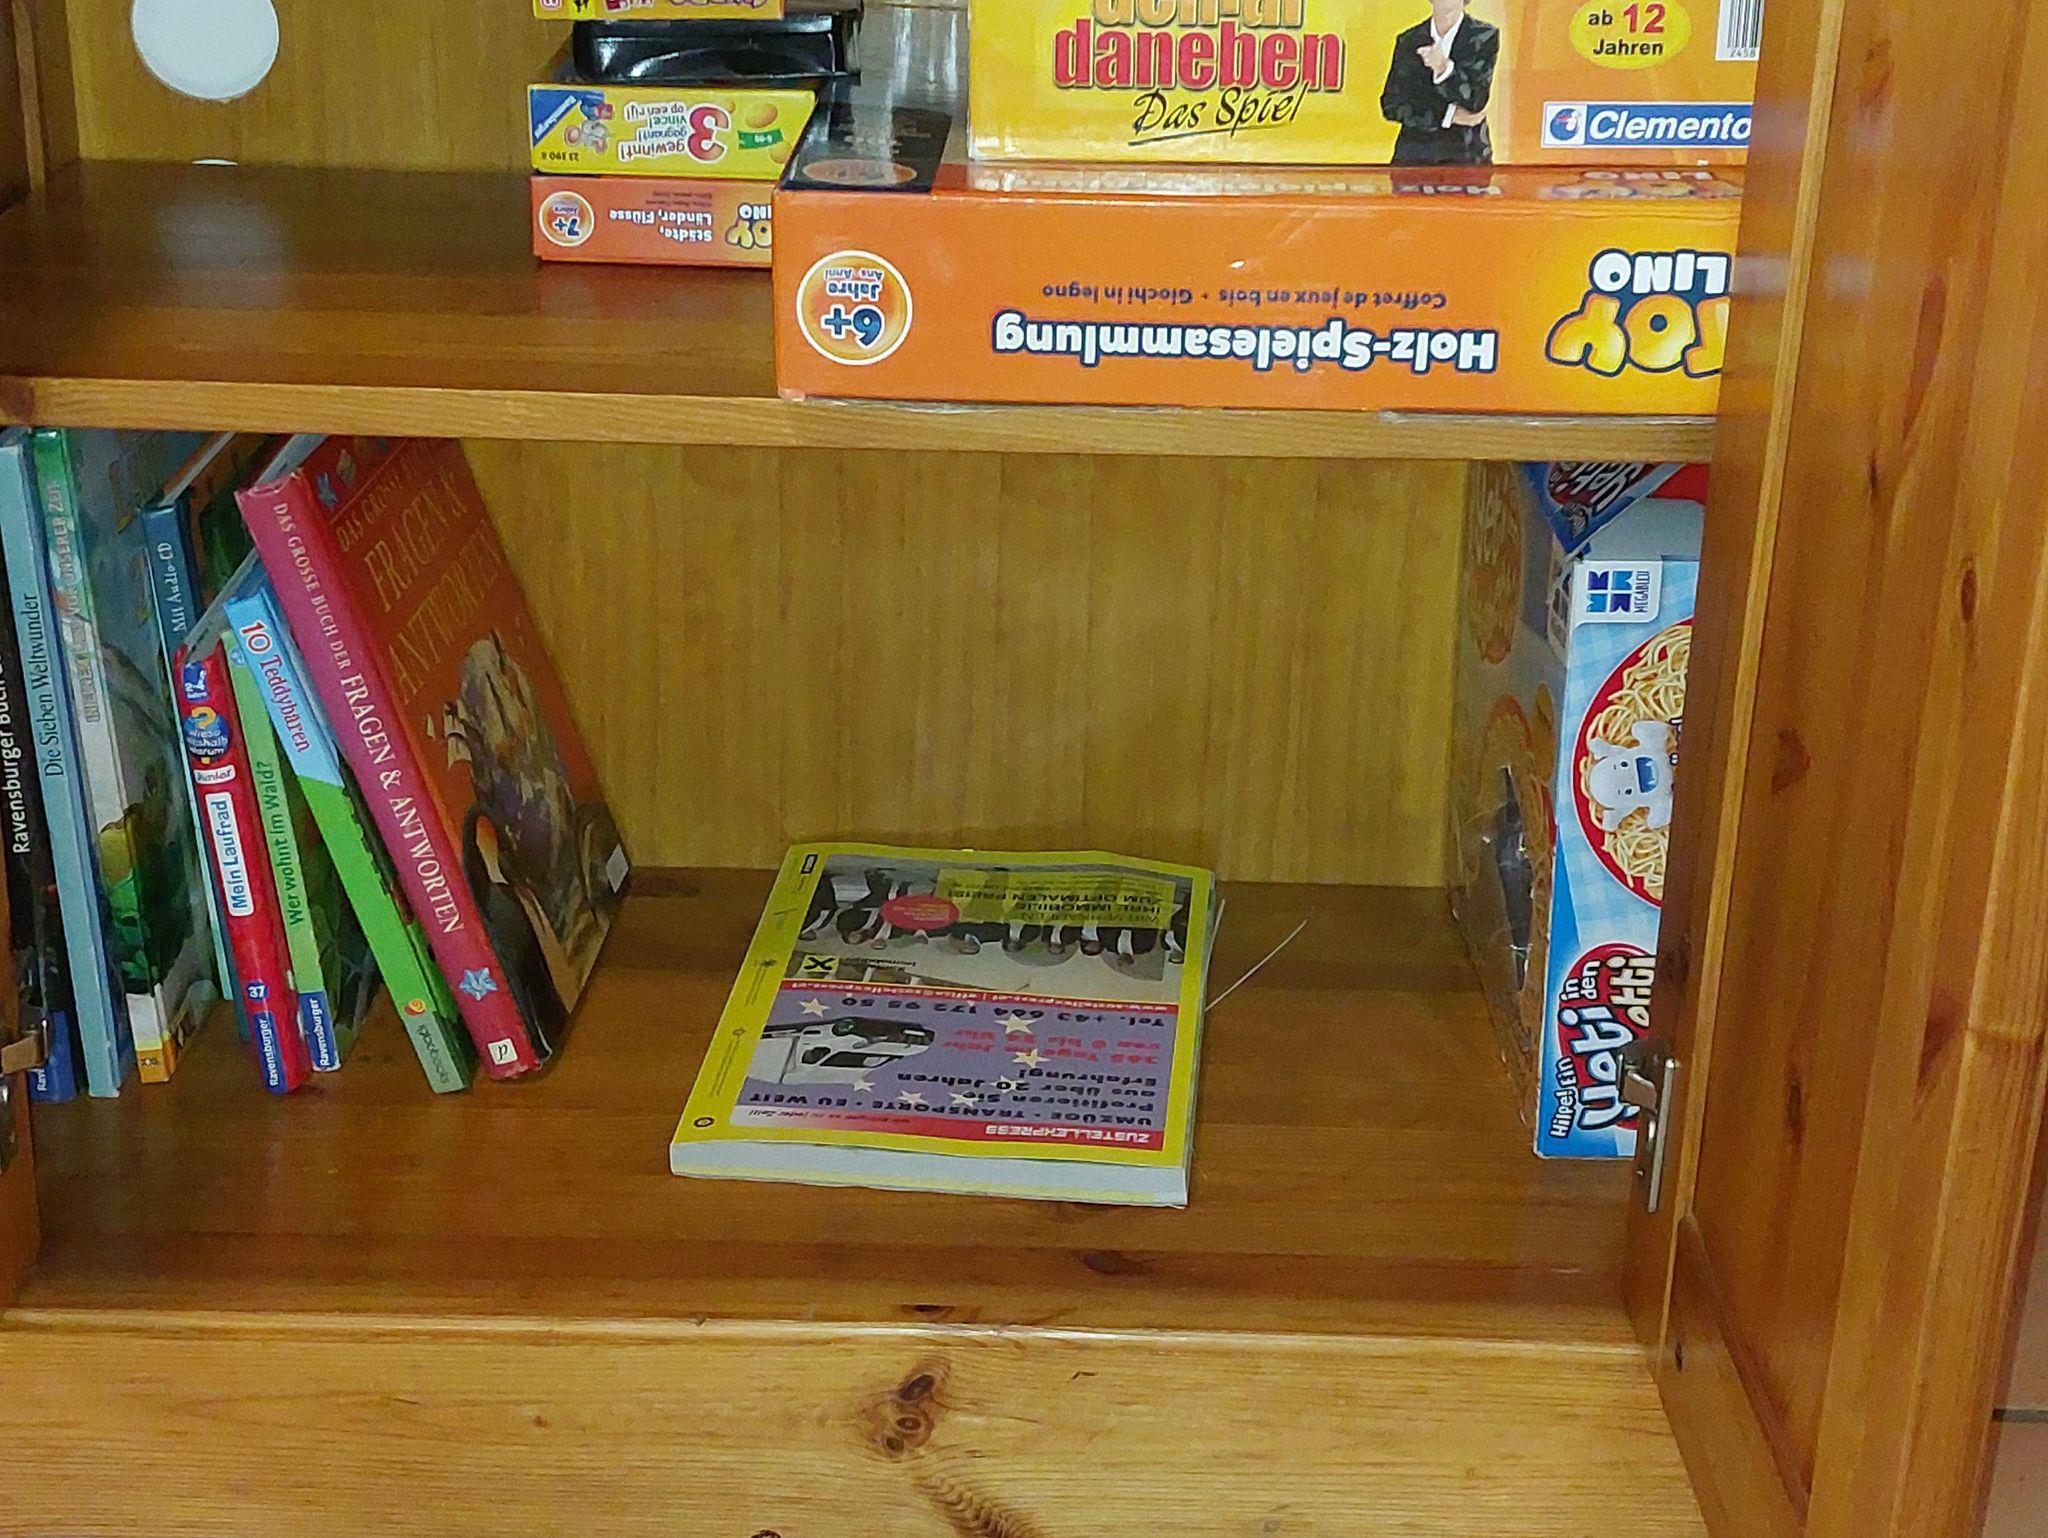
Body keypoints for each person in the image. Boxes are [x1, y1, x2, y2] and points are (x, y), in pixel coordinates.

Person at [1380, 0, 1500, 166]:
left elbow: (1475, 101)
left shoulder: (1484, 36)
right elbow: (1391, 105)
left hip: (1467, 155)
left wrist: (1444, 68)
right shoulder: (1409, 40)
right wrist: (1448, 115)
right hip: (1415, 156)